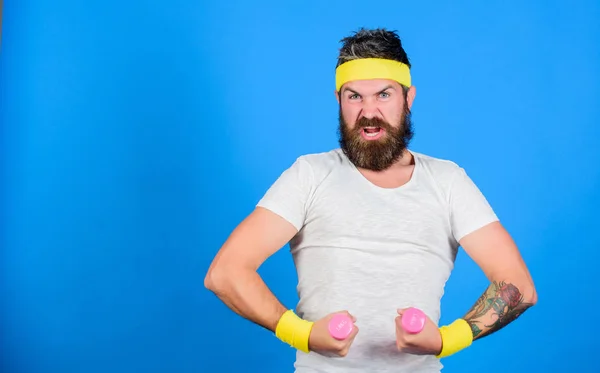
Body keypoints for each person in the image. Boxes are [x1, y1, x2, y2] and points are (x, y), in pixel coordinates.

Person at [204, 28, 537, 372]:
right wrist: (301, 334)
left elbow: (518, 286)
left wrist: (444, 340)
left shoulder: (448, 181)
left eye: (383, 94)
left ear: (408, 99)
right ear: (338, 100)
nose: (369, 111)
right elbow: (226, 273)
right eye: (354, 96)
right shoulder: (309, 175)